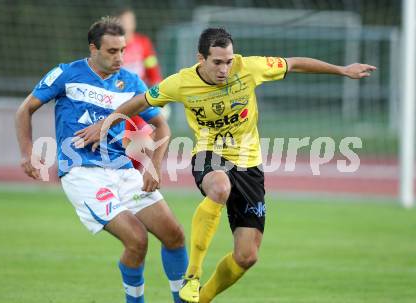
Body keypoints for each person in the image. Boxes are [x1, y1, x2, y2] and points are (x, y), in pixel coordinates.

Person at [73, 27, 377, 303]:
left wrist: (343, 70)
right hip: (210, 156)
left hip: (250, 166)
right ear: (201, 59)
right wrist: (105, 122)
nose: (225, 68)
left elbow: (294, 62)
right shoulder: (181, 83)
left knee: (247, 257)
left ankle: (200, 299)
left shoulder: (250, 68)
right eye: (217, 62)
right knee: (219, 187)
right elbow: (141, 101)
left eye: (228, 61)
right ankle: (192, 275)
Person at [15, 16, 188, 303]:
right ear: (93, 49)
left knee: (174, 234)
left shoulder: (131, 82)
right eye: (111, 51)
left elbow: (163, 126)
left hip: (122, 170)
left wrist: (154, 167)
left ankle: (182, 299)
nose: (119, 57)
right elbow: (25, 109)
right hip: (83, 173)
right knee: (137, 240)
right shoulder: (66, 74)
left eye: (122, 50)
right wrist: (26, 151)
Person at [117, 8, 166, 170]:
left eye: (131, 21)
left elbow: (153, 72)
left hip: (139, 104)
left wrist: (160, 97)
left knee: (146, 145)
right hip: (117, 105)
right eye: (124, 21)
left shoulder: (143, 43)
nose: (128, 25)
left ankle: (132, 175)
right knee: (120, 147)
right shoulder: (114, 46)